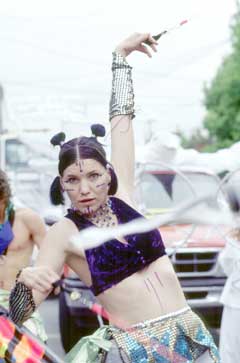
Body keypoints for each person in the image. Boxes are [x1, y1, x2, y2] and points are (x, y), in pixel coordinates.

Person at [9, 33, 220, 363]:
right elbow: (21, 313)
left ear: (108, 173)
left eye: (93, 176)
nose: (85, 188)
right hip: (143, 352)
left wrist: (120, 60)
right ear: (61, 185)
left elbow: (122, 122)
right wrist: (24, 283)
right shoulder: (64, 233)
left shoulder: (125, 196)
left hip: (193, 335)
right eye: (72, 180)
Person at [0, 169, 48, 342]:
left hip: (18, 302)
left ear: (4, 197)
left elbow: (52, 260)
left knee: (33, 348)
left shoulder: (27, 219)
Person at [218, 227, 240, 363]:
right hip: (235, 299)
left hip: (235, 299)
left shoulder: (234, 239)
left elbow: (227, 264)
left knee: (231, 348)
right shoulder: (234, 239)